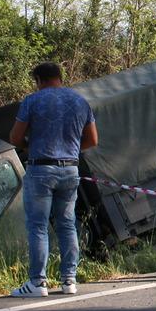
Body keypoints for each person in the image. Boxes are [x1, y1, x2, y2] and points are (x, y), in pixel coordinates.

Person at [7, 61, 98, 297]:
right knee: (67, 223)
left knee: (38, 226)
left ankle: (37, 282)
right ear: (60, 77)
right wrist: (70, 152)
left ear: (39, 80)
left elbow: (15, 137)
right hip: (70, 170)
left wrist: (30, 145)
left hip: (41, 169)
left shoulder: (32, 101)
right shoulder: (80, 101)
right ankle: (69, 280)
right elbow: (92, 140)